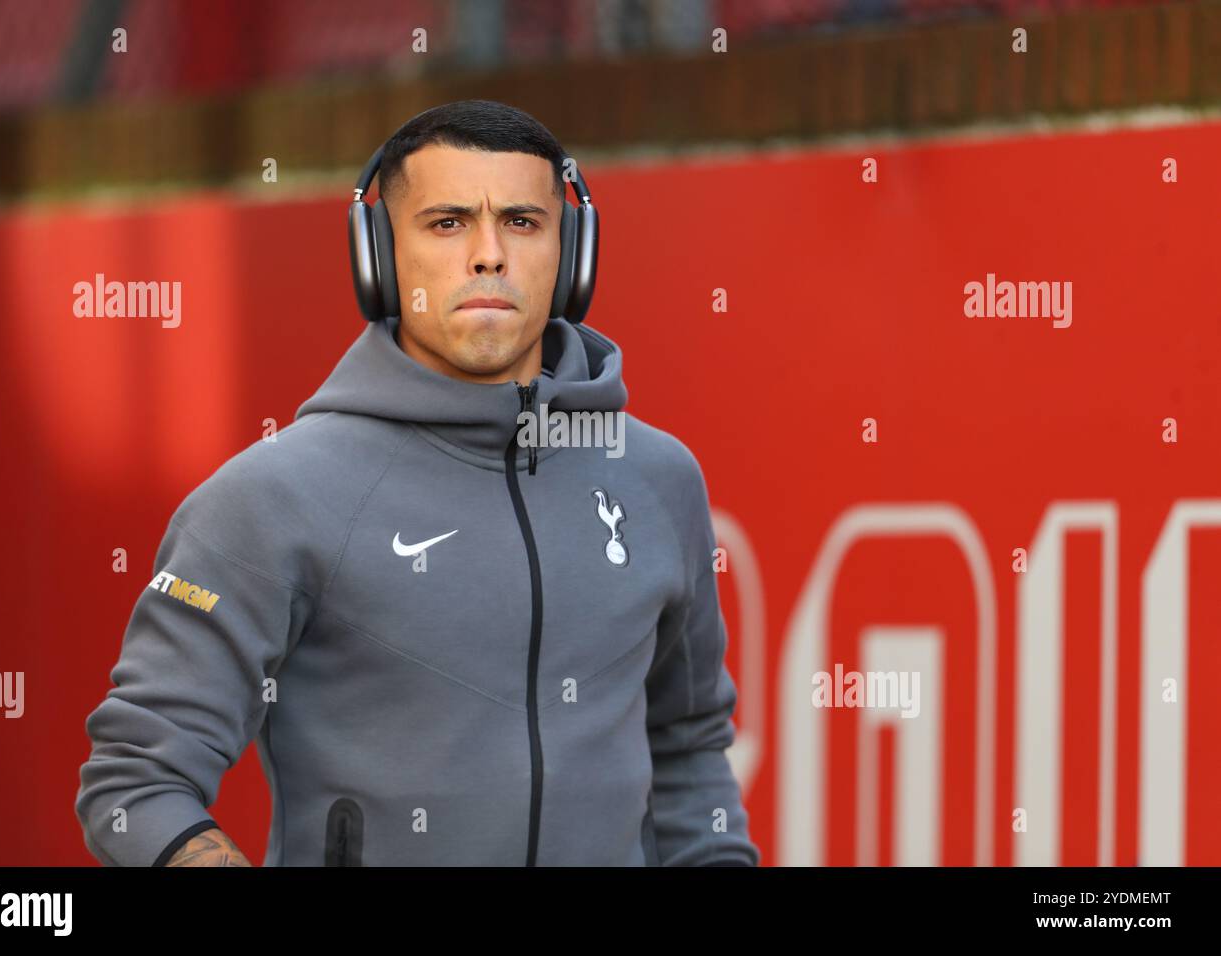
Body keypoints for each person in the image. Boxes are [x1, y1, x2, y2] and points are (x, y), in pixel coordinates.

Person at [74, 99, 759, 867]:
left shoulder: (660, 480)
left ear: (573, 257)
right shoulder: (270, 499)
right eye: (448, 223)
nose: (489, 254)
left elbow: (690, 746)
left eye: (524, 223)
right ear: (378, 256)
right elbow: (134, 784)